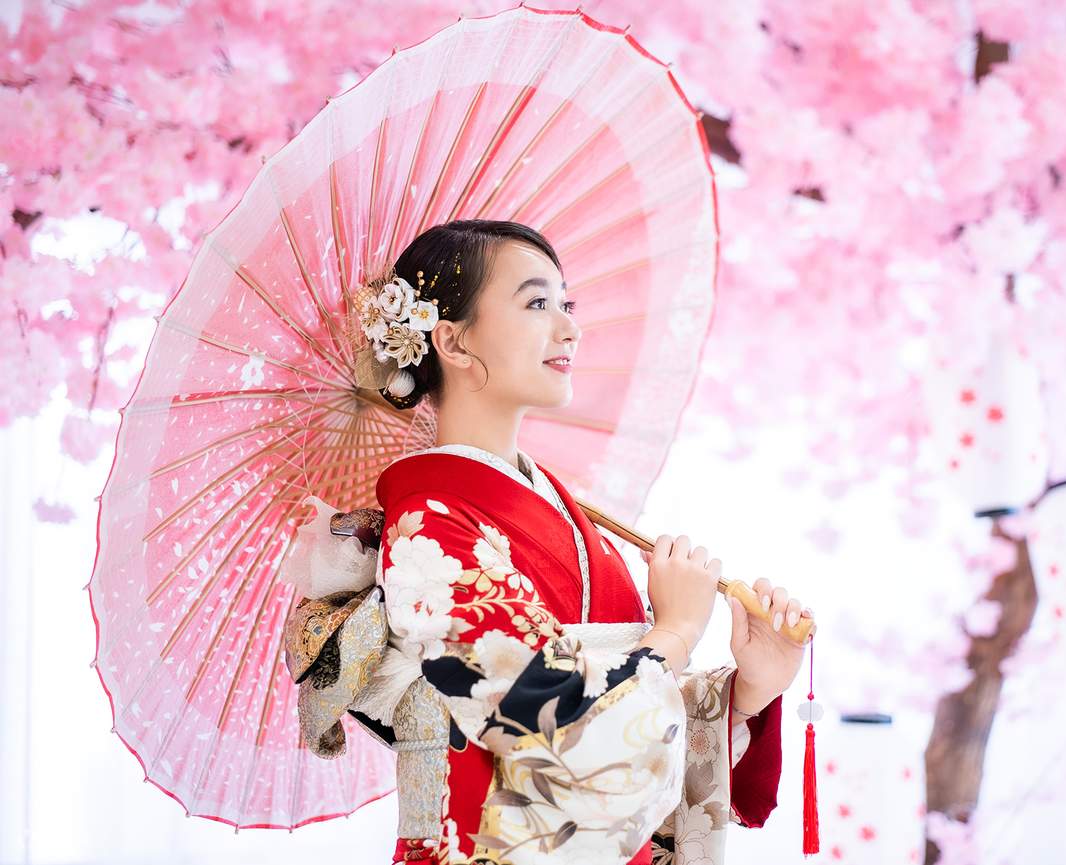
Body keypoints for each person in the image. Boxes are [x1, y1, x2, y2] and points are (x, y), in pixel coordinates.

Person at [280, 219, 810, 864]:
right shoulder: (431, 520)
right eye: (537, 303)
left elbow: (631, 713)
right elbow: (535, 719)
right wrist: (673, 632)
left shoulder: (561, 507)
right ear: (452, 339)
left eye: (568, 305)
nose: (569, 328)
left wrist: (749, 690)